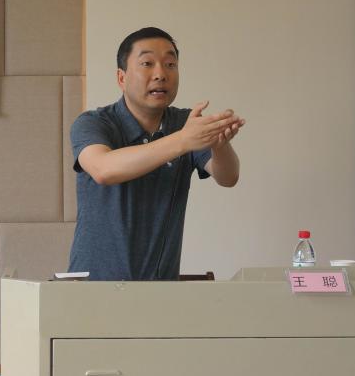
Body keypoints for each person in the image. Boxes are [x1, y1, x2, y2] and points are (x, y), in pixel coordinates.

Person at [68, 27, 244, 281]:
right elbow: (103, 169)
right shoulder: (93, 123)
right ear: (121, 78)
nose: (161, 74)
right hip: (93, 286)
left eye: (170, 64)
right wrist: (182, 140)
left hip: (160, 288)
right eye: (147, 64)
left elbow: (228, 177)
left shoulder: (184, 123)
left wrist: (219, 144)